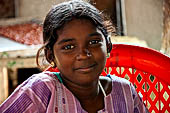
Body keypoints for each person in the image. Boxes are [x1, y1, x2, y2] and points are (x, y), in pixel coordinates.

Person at [0, 0, 147, 112]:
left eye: (94, 42)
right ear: (51, 56)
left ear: (108, 45)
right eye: (69, 47)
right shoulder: (40, 91)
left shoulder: (125, 92)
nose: (83, 54)